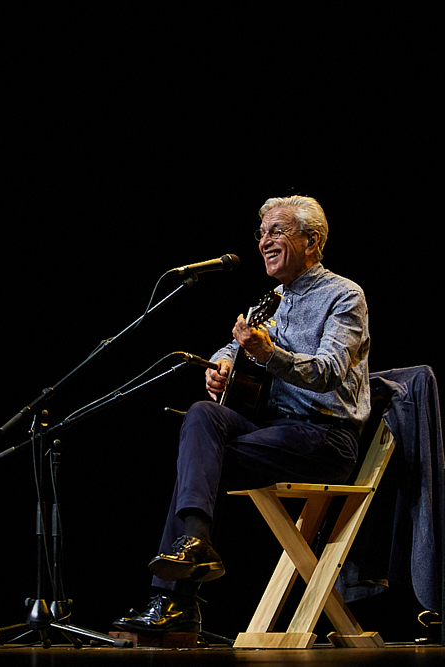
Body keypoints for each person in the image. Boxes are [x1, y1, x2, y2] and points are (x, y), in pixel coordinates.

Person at [113, 195, 371, 634]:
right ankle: (196, 545)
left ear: (312, 241)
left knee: (197, 465)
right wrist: (222, 365)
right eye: (262, 233)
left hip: (324, 438)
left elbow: (328, 373)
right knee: (201, 415)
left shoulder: (344, 296)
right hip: (274, 432)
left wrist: (270, 354)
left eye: (277, 231)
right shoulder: (269, 301)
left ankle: (173, 602)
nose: (265, 241)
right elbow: (231, 346)